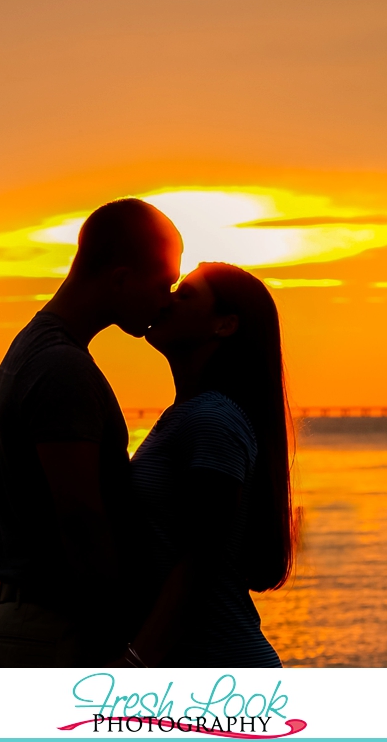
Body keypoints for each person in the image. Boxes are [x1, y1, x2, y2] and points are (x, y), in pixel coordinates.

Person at [0, 198, 182, 667]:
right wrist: (126, 647)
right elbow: (81, 521)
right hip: (58, 631)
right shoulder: (61, 368)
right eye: (163, 284)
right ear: (120, 279)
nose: (167, 300)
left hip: (36, 624)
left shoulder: (39, 350)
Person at [113, 262, 296, 668]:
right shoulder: (188, 415)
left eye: (186, 294)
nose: (167, 300)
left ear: (225, 325)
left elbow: (202, 563)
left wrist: (134, 661)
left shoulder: (213, 419)